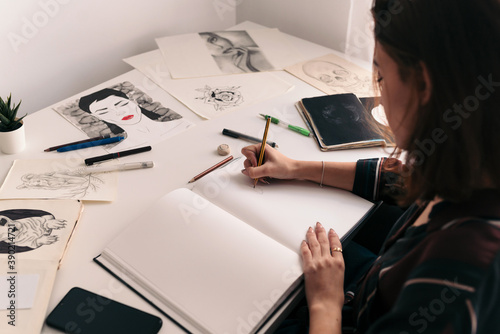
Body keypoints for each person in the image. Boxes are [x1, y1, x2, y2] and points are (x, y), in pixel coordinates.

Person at [241, 0, 500, 332]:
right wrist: (296, 168)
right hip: (372, 286)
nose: (377, 96)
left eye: (379, 73)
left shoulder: (453, 283)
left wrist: (325, 303)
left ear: (423, 85)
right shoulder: (472, 164)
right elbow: (399, 179)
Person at [78, 87, 183, 150]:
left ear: (133, 101)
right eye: (104, 112)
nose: (119, 112)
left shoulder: (180, 125)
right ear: (97, 117)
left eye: (121, 104)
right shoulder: (121, 149)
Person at [199, 31, 274, 73]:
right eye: (207, 47)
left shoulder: (259, 51)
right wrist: (244, 67)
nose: (219, 47)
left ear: (220, 36)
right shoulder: (222, 71)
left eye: (213, 40)